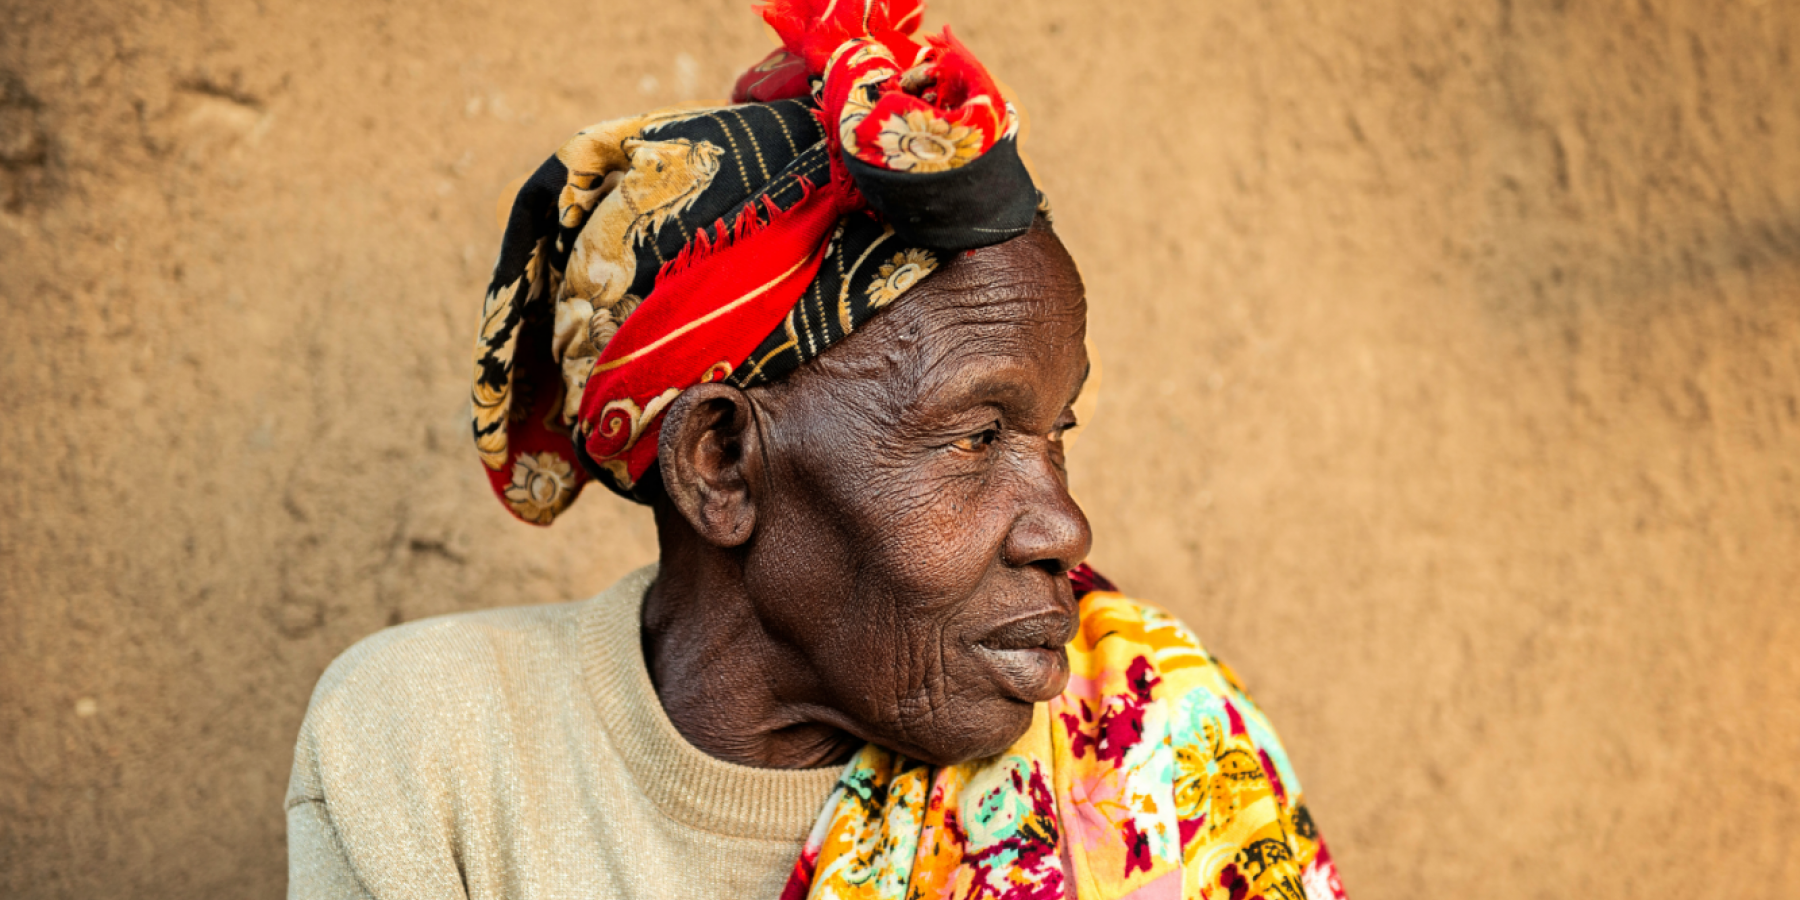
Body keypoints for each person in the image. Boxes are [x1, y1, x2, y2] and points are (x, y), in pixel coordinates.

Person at [285, 2, 1348, 898]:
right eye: (977, 436)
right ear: (722, 465)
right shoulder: (437, 748)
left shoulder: (1151, 754)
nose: (1067, 526)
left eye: (1052, 435)